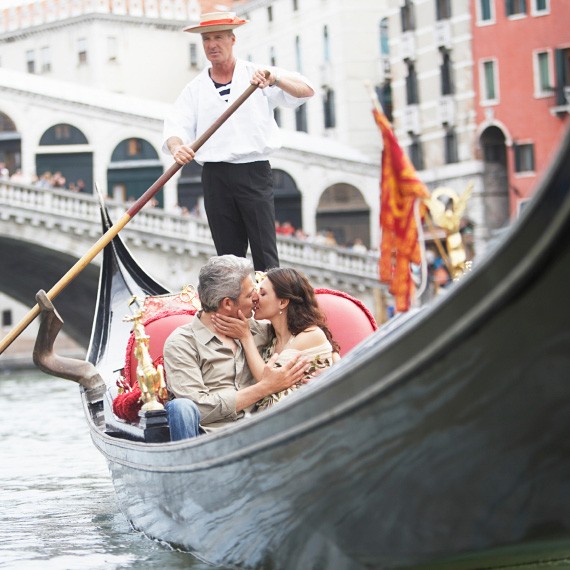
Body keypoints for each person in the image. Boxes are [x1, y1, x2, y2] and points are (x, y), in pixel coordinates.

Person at [163, 11, 315, 271]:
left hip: (253, 170)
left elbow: (306, 90)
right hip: (215, 176)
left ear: (232, 40)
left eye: (218, 37)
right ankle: (236, 309)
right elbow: (176, 126)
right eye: (207, 39)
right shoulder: (195, 88)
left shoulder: (258, 75)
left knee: (265, 254)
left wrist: (274, 79)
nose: (212, 45)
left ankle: (270, 307)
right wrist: (178, 148)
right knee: (228, 260)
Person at [163, 255, 308, 440]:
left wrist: (331, 363)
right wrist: (264, 388)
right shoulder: (182, 343)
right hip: (206, 440)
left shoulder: (260, 329)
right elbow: (198, 408)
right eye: (249, 294)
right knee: (181, 407)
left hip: (262, 434)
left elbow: (305, 330)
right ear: (227, 303)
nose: (256, 297)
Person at [212, 267, 340, 411]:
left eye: (263, 293)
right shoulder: (271, 335)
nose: (255, 298)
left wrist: (245, 336)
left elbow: (267, 382)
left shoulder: (310, 334)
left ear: (283, 302)